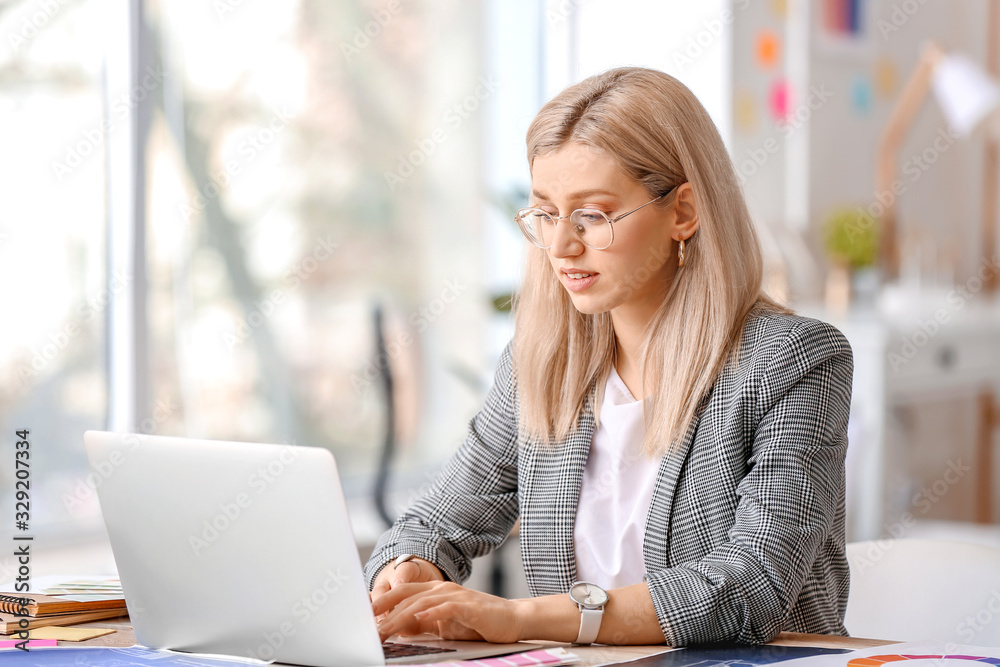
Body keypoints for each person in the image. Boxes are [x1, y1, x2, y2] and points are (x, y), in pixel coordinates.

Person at [365, 66, 853, 647]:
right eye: (545, 214)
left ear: (683, 211)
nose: (561, 245)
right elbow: (437, 521)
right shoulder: (539, 363)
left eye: (591, 215)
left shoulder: (794, 362)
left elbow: (750, 588)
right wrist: (410, 574)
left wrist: (524, 619)